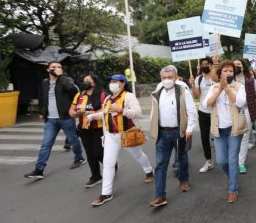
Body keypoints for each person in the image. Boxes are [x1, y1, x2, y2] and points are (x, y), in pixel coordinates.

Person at [86, 75, 154, 207]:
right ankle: (106, 193)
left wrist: (122, 110)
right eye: (111, 82)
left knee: (138, 155)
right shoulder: (107, 98)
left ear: (123, 84)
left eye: (115, 82)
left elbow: (138, 112)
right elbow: (106, 113)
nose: (112, 84)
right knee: (108, 163)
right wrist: (93, 116)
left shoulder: (129, 96)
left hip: (127, 134)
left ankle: (148, 170)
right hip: (111, 136)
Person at [24, 61, 85, 180]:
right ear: (48, 70)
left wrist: (61, 77)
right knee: (46, 144)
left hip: (66, 118)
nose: (56, 69)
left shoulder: (66, 80)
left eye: (58, 67)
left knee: (73, 140)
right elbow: (42, 98)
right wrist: (42, 112)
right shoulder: (45, 82)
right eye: (53, 67)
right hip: (50, 120)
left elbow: (75, 94)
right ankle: (39, 169)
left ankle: (79, 158)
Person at [148, 65, 197, 208]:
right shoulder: (158, 91)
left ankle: (184, 180)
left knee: (181, 158)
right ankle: (159, 196)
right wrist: (153, 130)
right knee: (160, 164)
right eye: (164, 78)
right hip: (162, 133)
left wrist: (189, 129)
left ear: (175, 78)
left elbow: (191, 111)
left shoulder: (182, 91)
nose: (167, 80)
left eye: (170, 77)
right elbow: (154, 111)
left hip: (179, 131)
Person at [202, 60, 247, 203]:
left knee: (233, 160)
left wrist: (227, 89)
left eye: (231, 71)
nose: (228, 73)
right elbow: (207, 104)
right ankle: (231, 176)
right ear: (220, 73)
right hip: (218, 129)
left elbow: (240, 103)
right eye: (225, 70)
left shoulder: (239, 86)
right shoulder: (214, 87)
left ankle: (233, 189)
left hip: (234, 128)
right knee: (221, 160)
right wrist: (220, 89)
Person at [69, 75, 106, 188]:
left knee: (98, 152)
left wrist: (91, 113)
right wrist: (74, 113)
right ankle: (95, 176)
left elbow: (105, 109)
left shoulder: (101, 94)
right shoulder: (79, 95)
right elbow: (72, 109)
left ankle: (111, 164)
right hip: (83, 128)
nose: (84, 82)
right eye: (83, 80)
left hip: (98, 128)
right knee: (90, 154)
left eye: (87, 81)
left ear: (94, 83)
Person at [233, 59, 256, 174]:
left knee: (245, 136)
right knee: (234, 136)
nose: (236, 66)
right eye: (234, 65)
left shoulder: (251, 80)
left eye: (238, 65)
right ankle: (233, 159)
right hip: (231, 112)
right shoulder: (228, 80)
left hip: (246, 111)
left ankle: (241, 163)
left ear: (243, 67)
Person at [192, 57, 216, 173]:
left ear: (211, 65)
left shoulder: (216, 77)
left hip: (216, 112)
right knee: (204, 138)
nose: (204, 66)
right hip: (203, 112)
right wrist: (192, 85)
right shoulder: (199, 79)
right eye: (202, 64)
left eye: (207, 64)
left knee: (220, 136)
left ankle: (226, 159)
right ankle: (208, 161)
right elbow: (196, 96)